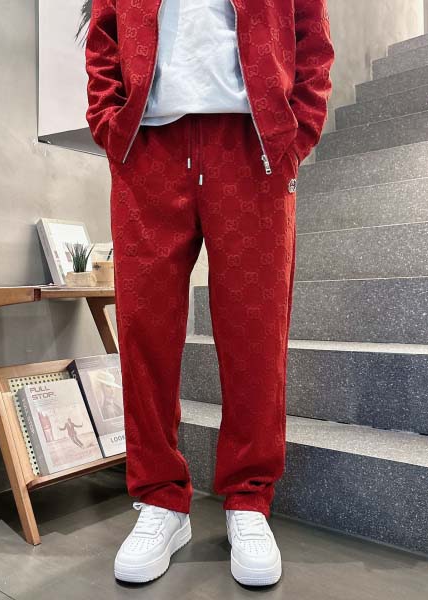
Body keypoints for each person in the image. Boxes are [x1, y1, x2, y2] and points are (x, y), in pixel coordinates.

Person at [85, 0, 334, 586]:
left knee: (256, 335)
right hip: (147, 145)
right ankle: (160, 499)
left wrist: (298, 129)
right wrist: (109, 120)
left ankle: (249, 499)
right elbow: (103, 35)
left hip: (253, 143)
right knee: (145, 331)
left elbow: (311, 34)